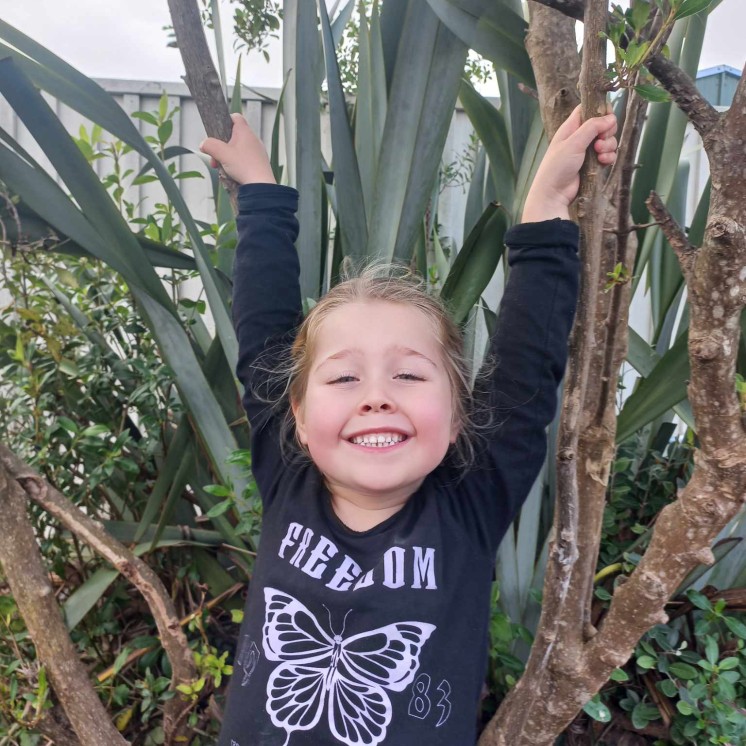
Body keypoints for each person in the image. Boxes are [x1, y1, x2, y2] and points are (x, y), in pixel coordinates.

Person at [200, 106, 617, 746]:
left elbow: (525, 370)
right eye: (344, 377)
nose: (376, 398)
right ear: (299, 417)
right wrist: (259, 194)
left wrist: (544, 210)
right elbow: (262, 335)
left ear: (457, 417)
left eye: (409, 375)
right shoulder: (288, 475)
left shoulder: (469, 505)